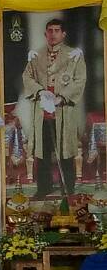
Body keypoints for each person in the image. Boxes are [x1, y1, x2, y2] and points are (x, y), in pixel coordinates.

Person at [21, 18, 88, 198]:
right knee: (43, 153)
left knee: (65, 151)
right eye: (49, 30)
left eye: (57, 30)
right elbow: (27, 77)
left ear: (63, 34)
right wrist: (40, 92)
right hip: (43, 112)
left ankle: (68, 187)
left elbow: (80, 79)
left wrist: (62, 97)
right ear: (45, 34)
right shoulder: (36, 56)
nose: (53, 34)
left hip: (63, 111)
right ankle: (44, 188)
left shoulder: (74, 55)